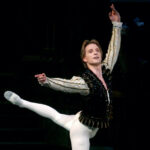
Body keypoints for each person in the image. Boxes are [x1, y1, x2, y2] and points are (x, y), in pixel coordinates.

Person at [4, 4, 122, 150]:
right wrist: (48, 81)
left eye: (97, 50)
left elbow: (114, 49)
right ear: (84, 58)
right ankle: (21, 102)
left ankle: (20, 102)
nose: (95, 52)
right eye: (90, 51)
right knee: (56, 117)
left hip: (90, 123)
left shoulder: (106, 69)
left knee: (56, 116)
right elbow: (65, 84)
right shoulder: (85, 82)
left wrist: (116, 24)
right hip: (82, 129)